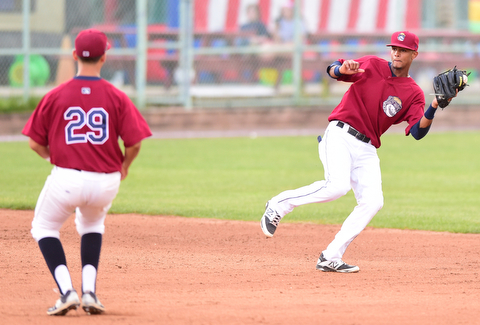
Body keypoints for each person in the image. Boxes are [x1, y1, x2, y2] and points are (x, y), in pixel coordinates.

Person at [260, 31, 454, 273]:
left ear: (414, 54)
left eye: (402, 50)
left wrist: (434, 106)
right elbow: (332, 69)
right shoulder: (372, 65)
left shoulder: (413, 92)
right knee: (337, 187)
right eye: (394, 48)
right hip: (340, 133)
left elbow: (417, 132)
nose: (396, 52)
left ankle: (331, 256)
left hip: (367, 147)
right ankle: (279, 204)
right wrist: (343, 70)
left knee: (373, 202)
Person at [22, 29, 152, 315]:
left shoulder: (56, 94)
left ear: (74, 56)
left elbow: (34, 142)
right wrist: (125, 166)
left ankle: (67, 291)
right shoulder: (117, 96)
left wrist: (51, 158)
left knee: (44, 228)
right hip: (107, 180)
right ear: (104, 57)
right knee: (92, 226)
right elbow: (135, 142)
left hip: (67, 178)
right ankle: (90, 293)